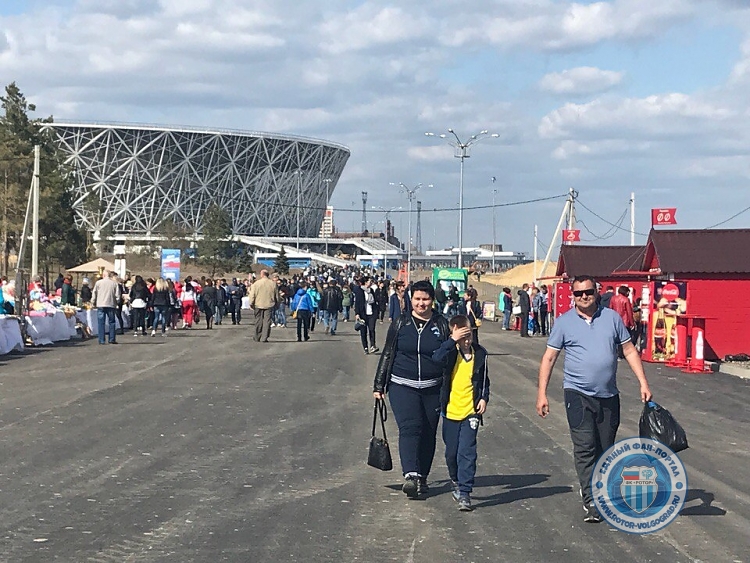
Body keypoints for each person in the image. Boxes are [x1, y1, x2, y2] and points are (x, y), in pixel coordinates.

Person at [536, 275, 652, 524]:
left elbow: (629, 350)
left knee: (605, 447)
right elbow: (549, 358)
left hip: (608, 395)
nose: (583, 297)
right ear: (572, 295)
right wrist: (542, 394)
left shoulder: (611, 318)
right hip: (577, 394)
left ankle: (599, 490)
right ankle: (592, 500)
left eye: (587, 292)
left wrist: (643, 382)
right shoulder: (564, 323)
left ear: (597, 292)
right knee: (585, 446)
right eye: (578, 294)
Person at [373, 280, 451, 498]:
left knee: (428, 433)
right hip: (402, 384)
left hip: (432, 388)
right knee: (410, 427)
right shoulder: (401, 323)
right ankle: (411, 475)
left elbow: (450, 358)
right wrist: (379, 384)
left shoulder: (442, 325)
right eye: (417, 299)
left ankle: (422, 476)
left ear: (432, 301)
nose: (421, 303)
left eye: (425, 299)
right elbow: (388, 353)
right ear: (411, 299)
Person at [432, 314, 490, 512]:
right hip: (450, 411)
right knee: (452, 452)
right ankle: (455, 479)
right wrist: (451, 341)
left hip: (470, 412)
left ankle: (465, 492)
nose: (466, 341)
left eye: (469, 336)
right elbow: (436, 357)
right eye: (462, 337)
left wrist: (483, 398)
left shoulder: (480, 354)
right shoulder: (450, 353)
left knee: (467, 452)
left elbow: (484, 381)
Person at [248, 269, 280, 342]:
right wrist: (277, 303)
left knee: (258, 321)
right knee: (267, 321)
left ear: (262, 274)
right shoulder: (273, 284)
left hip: (258, 304)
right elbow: (277, 295)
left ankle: (257, 336)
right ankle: (264, 337)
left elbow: (252, 295)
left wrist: (251, 303)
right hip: (269, 304)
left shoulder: (256, 284)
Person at [92, 271, 121, 345]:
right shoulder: (114, 283)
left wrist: (93, 301)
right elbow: (117, 295)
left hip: (100, 304)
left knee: (101, 322)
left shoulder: (98, 283)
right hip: (111, 304)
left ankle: (101, 340)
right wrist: (117, 302)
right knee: (112, 322)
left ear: (103, 275)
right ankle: (112, 339)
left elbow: (94, 293)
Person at [610, 285, 635, 359]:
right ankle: (620, 354)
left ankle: (614, 353)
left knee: (614, 337)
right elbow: (629, 312)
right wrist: (632, 323)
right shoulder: (626, 300)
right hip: (624, 321)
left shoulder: (613, 298)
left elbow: (610, 309)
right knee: (623, 339)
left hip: (614, 320)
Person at [355, 276, 378, 354]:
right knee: (363, 332)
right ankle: (365, 347)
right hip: (363, 314)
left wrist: (376, 312)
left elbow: (374, 301)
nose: (371, 282)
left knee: (372, 329)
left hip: (371, 313)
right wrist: (357, 313)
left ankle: (373, 345)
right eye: (369, 281)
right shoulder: (359, 291)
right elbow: (357, 303)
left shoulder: (371, 290)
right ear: (365, 282)